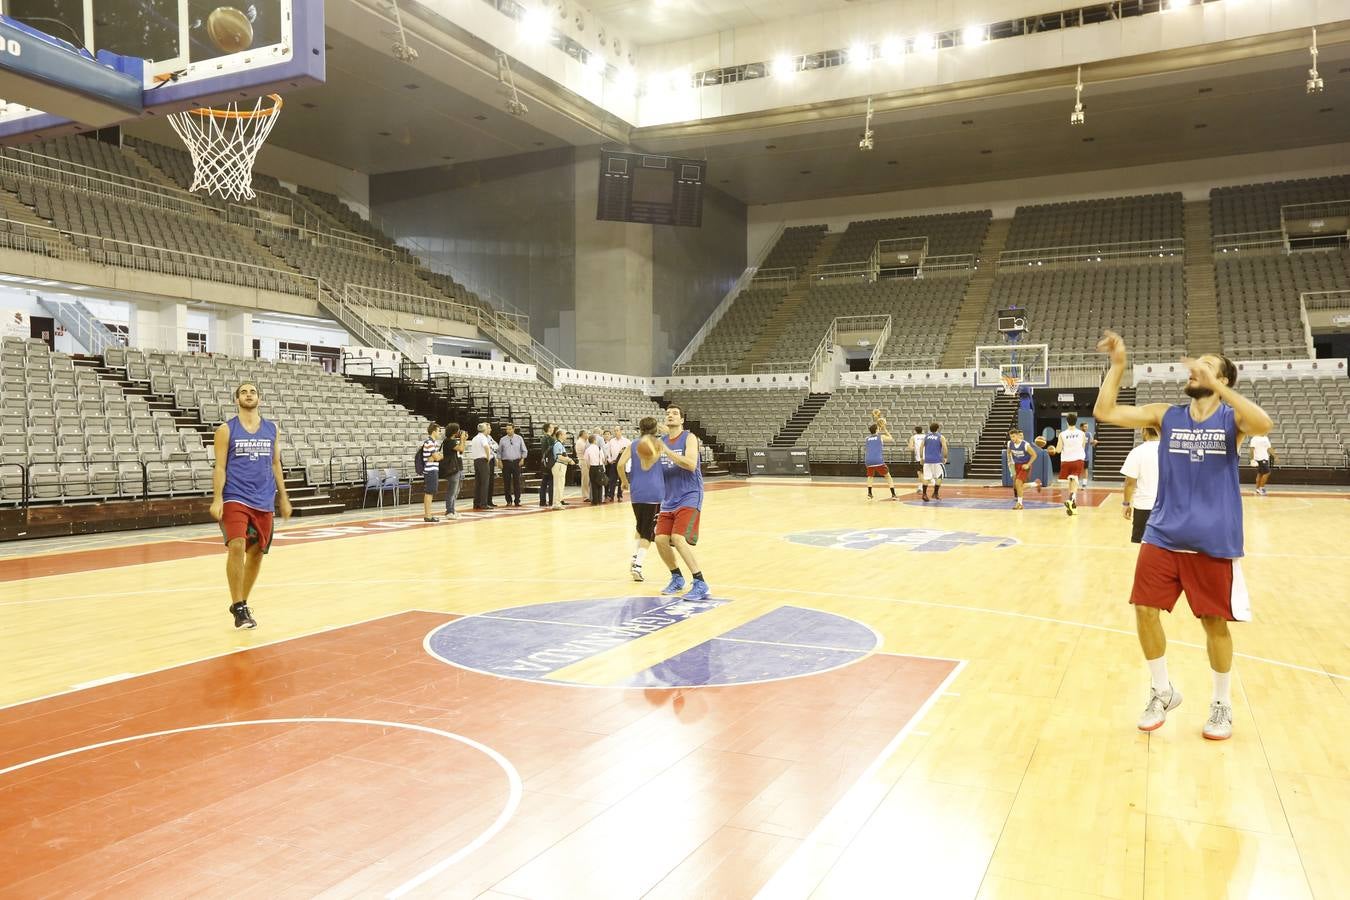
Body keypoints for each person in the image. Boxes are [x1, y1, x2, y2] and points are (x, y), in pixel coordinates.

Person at [1094, 329, 1272, 741]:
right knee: (1143, 609)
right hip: (1162, 533)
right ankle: (1161, 690)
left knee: (1213, 624)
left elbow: (1265, 423)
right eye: (1196, 367)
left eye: (1207, 367)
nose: (1195, 371)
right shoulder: (1166, 414)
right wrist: (1118, 365)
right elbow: (1106, 412)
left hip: (1213, 539)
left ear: (1224, 380)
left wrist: (1219, 389)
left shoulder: (1234, 419)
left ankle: (1221, 703)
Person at [210, 381, 292, 629]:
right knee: (236, 545)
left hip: (264, 498)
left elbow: (276, 464)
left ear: (259, 398)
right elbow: (220, 466)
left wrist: (284, 497)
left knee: (256, 553)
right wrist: (217, 498)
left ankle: (241, 603)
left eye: (252, 391)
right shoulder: (226, 430)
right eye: (243, 392)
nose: (248, 394)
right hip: (235, 496)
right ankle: (239, 607)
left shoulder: (271, 429)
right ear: (237, 399)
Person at [655, 405, 709, 600]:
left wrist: (666, 451)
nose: (670, 415)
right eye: (668, 413)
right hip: (668, 499)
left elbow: (690, 464)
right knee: (660, 539)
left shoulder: (689, 437)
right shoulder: (660, 441)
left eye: (675, 413)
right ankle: (677, 577)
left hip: (690, 495)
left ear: (682, 420)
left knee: (678, 538)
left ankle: (700, 581)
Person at [618, 416, 664, 581]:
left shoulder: (633, 444)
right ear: (655, 428)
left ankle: (634, 557)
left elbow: (620, 464)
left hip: (636, 492)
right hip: (654, 492)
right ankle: (638, 565)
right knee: (648, 531)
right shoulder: (659, 444)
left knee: (640, 527)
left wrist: (624, 481)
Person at [1120, 426, 1160, 544]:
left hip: (1144, 506)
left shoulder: (1137, 452)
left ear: (1144, 431)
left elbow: (1130, 482)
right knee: (1165, 547)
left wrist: (1126, 504)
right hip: (1166, 507)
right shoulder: (1169, 450)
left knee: (1142, 545)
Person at [1055, 412, 1088, 515]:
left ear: (1067, 422)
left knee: (1071, 481)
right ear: (1076, 422)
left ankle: (1073, 506)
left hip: (1066, 461)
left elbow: (1059, 450)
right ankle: (1071, 500)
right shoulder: (1082, 433)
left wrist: (1052, 449)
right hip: (1078, 459)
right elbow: (1082, 447)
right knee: (1075, 481)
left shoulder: (1062, 434)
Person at [863, 421, 898, 500]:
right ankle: (893, 495)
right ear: (876, 430)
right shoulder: (880, 437)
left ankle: (869, 494)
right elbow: (891, 438)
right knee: (888, 476)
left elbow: (873, 438)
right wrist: (884, 429)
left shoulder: (867, 438)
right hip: (877, 460)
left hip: (868, 460)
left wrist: (877, 427)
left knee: (870, 476)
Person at [1005, 426, 1038, 510]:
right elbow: (1008, 451)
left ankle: (1019, 504)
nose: (1012, 438)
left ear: (1017, 435)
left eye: (1013, 436)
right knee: (1018, 485)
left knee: (1018, 483)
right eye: (1011, 437)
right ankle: (1036, 484)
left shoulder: (1025, 445)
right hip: (1016, 465)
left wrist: (1028, 464)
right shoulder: (1010, 443)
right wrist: (1009, 460)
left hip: (1025, 466)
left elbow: (1034, 455)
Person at [440, 422, 466, 518]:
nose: (459, 432)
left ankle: (452, 510)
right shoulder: (448, 441)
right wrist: (462, 439)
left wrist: (464, 440)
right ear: (454, 432)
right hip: (452, 469)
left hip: (457, 468)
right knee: (452, 491)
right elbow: (461, 448)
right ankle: (449, 511)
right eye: (458, 430)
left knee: (456, 491)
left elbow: (461, 451)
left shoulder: (453, 441)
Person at [469, 422, 497, 510]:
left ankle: (476, 503)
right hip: (483, 460)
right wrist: (488, 457)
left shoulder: (474, 438)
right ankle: (484, 503)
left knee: (478, 483)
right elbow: (487, 447)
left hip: (476, 461)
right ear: (484, 429)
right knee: (485, 482)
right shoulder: (483, 438)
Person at [419, 423, 443, 523]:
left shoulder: (433, 443)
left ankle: (428, 514)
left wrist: (435, 457)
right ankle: (428, 515)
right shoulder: (429, 443)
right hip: (430, 470)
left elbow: (435, 457)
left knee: (431, 492)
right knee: (429, 492)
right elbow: (437, 457)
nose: (440, 433)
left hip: (433, 469)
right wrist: (437, 456)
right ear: (434, 431)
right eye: (439, 431)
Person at [498, 423, 526, 507]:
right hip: (506, 462)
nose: (508, 431)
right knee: (507, 482)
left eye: (510, 429)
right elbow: (499, 451)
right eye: (507, 429)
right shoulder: (502, 439)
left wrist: (522, 459)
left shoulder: (519, 438)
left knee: (517, 482)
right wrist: (499, 461)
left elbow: (524, 450)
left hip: (516, 462)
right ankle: (508, 500)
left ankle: (517, 500)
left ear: (513, 429)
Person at [920, 422, 947, 502]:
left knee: (926, 477)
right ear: (938, 429)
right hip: (937, 460)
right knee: (939, 477)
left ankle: (924, 494)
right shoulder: (941, 437)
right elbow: (944, 447)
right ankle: (935, 493)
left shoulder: (926, 437)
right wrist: (945, 457)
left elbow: (921, 447)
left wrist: (921, 457)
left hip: (927, 460)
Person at [549, 429, 575, 510]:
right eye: (564, 434)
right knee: (559, 485)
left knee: (560, 485)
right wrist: (569, 460)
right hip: (559, 466)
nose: (566, 436)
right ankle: (557, 503)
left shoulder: (559, 444)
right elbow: (559, 457)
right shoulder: (558, 444)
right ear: (560, 435)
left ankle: (557, 502)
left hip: (561, 466)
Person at [605, 427, 626, 502]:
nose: (616, 432)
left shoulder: (626, 441)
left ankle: (620, 495)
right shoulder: (611, 441)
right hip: (614, 463)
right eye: (615, 431)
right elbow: (607, 452)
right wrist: (610, 460)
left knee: (621, 480)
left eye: (617, 430)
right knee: (612, 480)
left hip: (622, 463)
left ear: (621, 431)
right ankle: (611, 496)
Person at [584, 432, 605, 505]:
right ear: (595, 440)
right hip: (600, 466)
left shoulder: (588, 449)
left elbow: (586, 460)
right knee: (600, 483)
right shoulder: (599, 448)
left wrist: (589, 466)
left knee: (593, 484)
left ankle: (595, 501)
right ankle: (600, 500)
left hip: (592, 467)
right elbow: (603, 458)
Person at [575, 430, 591, 500]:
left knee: (587, 478)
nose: (588, 435)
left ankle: (588, 494)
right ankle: (585, 495)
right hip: (583, 460)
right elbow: (586, 452)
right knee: (585, 479)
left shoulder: (584, 441)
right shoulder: (580, 442)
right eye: (587, 433)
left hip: (585, 460)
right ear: (583, 434)